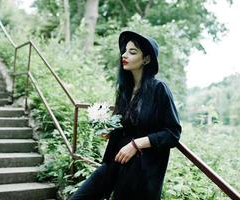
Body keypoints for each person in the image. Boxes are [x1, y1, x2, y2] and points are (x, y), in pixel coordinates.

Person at [70, 31, 182, 200]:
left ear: (146, 59)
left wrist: (136, 144)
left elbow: (172, 133)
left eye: (132, 52)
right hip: (115, 161)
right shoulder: (125, 90)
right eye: (125, 50)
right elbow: (125, 127)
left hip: (141, 171)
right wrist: (109, 130)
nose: (124, 55)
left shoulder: (159, 89)